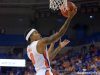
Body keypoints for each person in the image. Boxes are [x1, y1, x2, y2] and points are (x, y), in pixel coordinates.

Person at [25, 3, 77, 75]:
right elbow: (59, 34)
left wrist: (58, 47)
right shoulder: (40, 42)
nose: (39, 33)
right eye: (36, 33)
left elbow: (47, 58)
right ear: (31, 37)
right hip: (45, 72)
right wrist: (69, 18)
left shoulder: (28, 49)